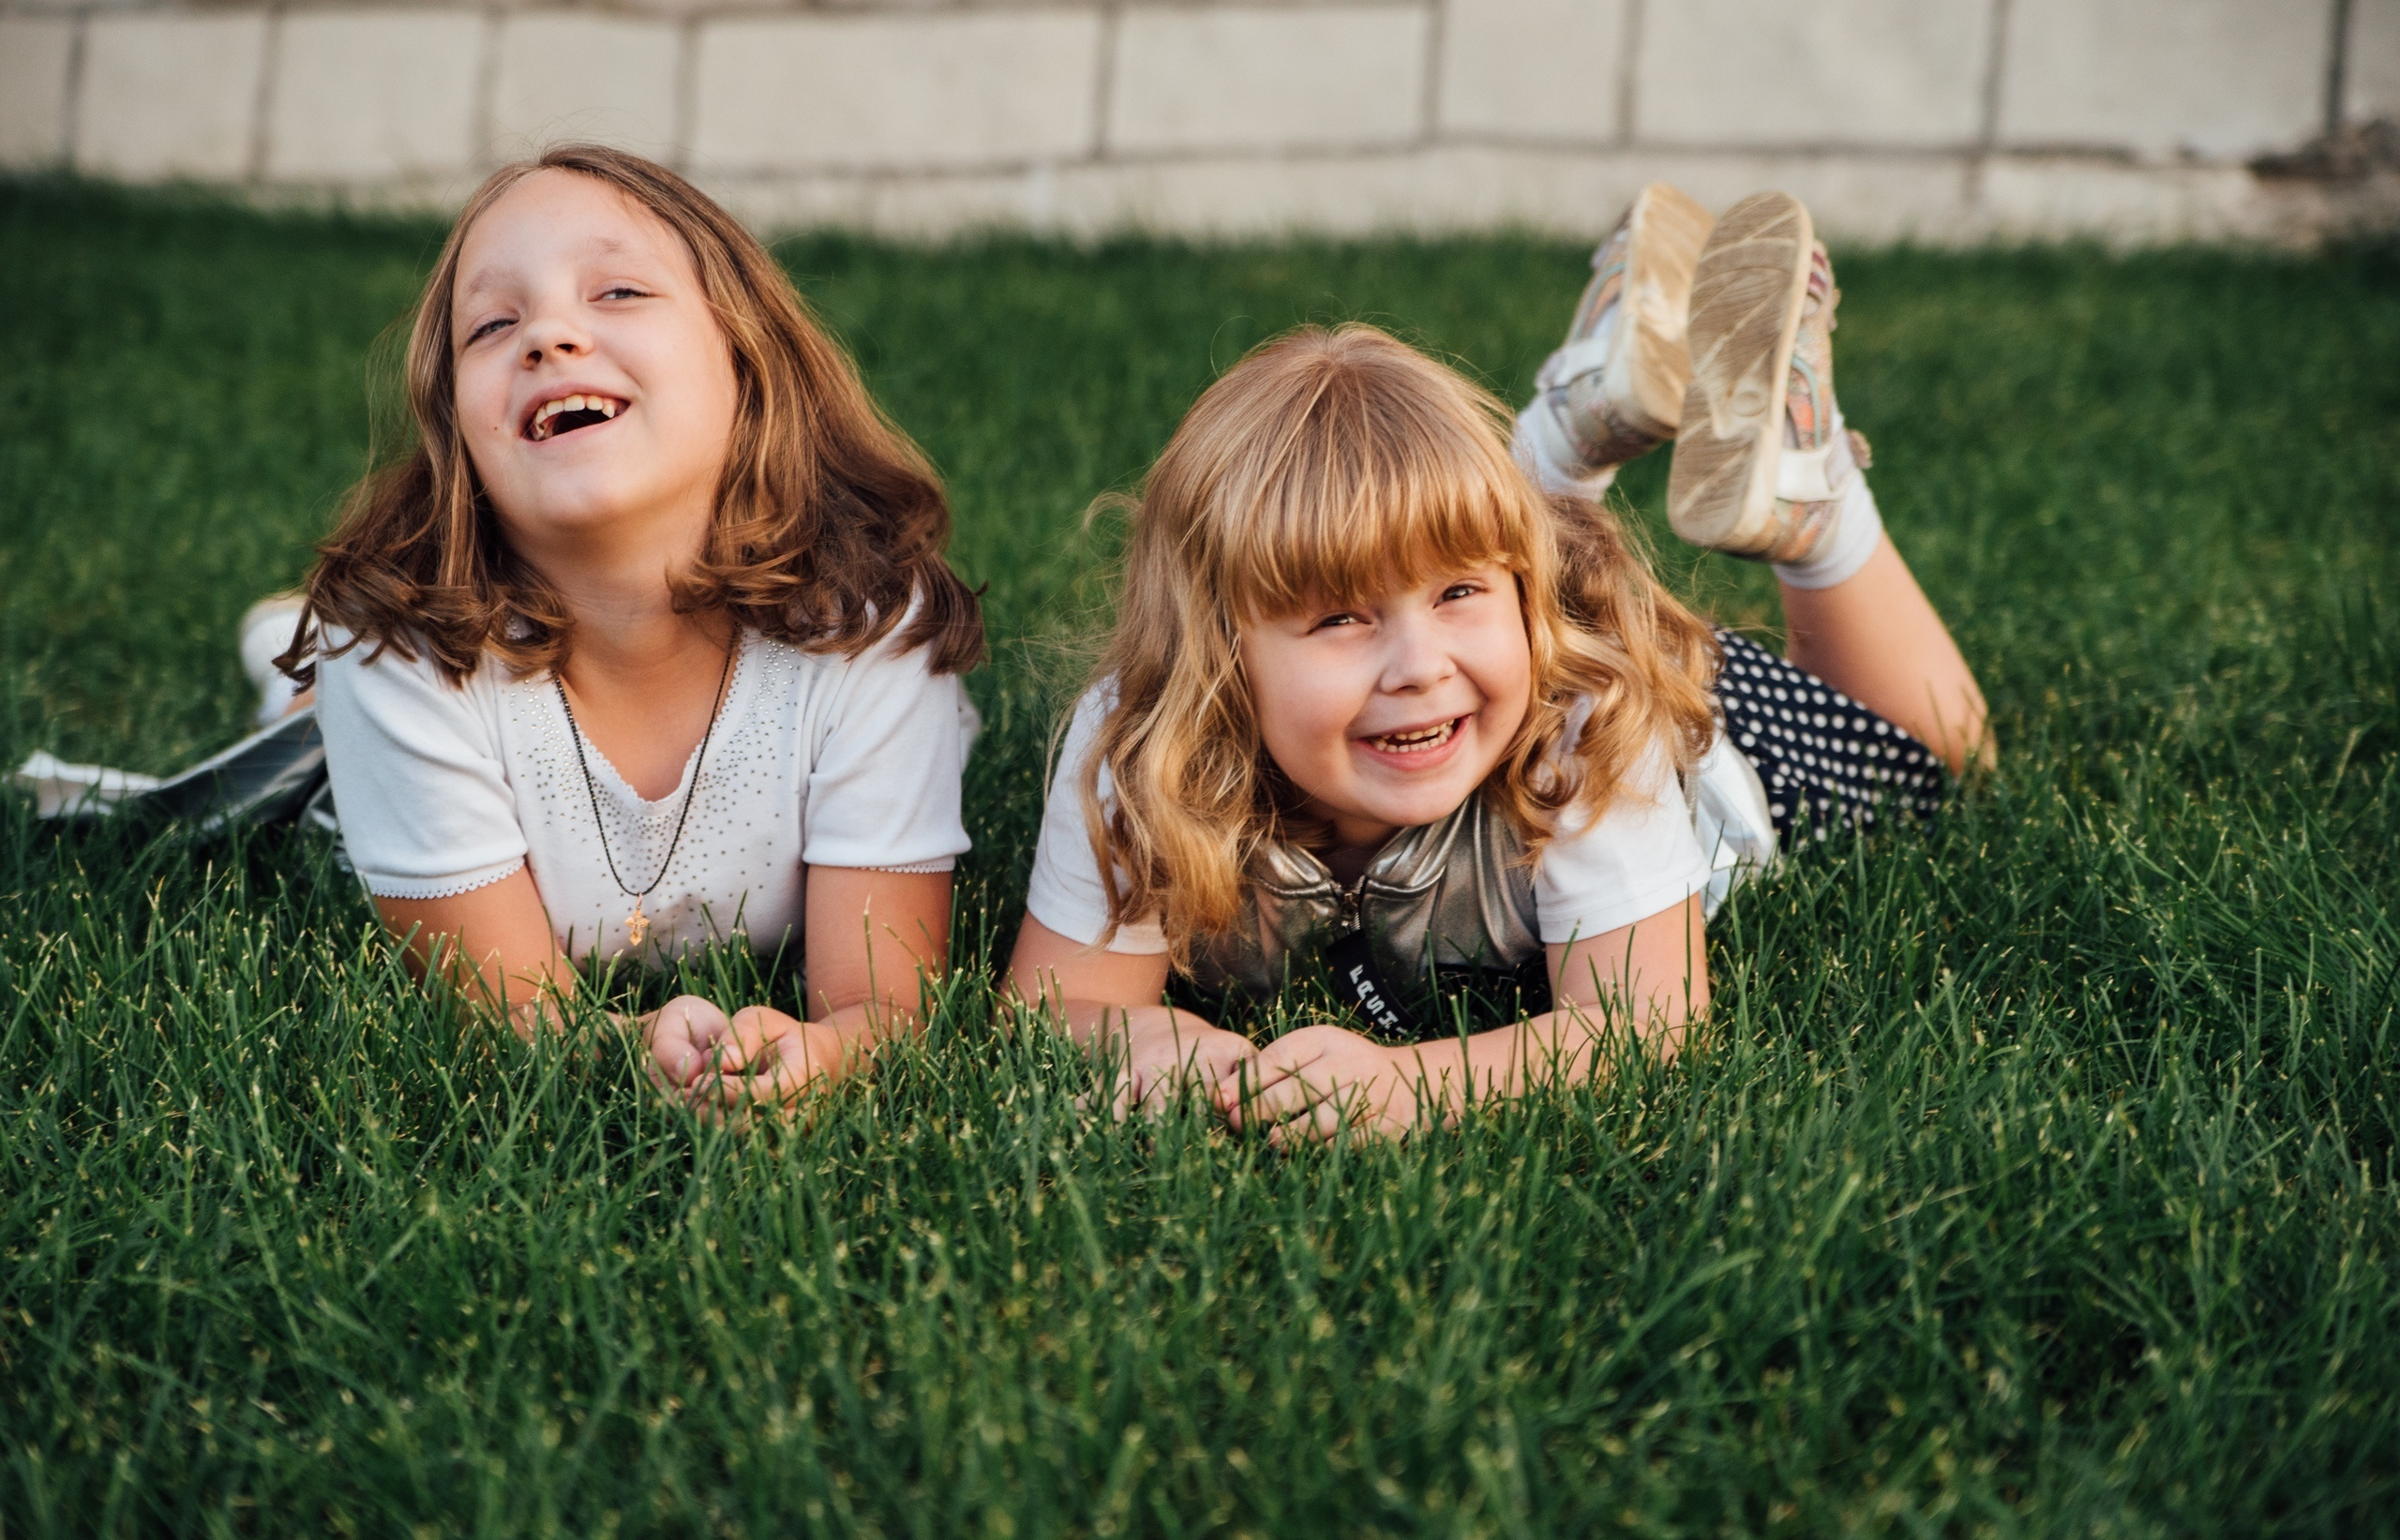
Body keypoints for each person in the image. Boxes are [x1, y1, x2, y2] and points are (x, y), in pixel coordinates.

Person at [1005, 185, 1990, 1142]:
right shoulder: (1140, 745)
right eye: (1341, 617)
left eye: (1457, 592)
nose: (1418, 666)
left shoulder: (1588, 720)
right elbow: (1057, 1004)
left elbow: (1645, 1025)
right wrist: (1162, 1045)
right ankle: (1559, 443)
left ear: (1517, 592)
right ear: (1216, 654)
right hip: (1524, 638)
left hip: (1716, 739)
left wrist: (1407, 1083)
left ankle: (1812, 502)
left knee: (1947, 751)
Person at [260, 144, 984, 1120]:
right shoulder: (398, 652)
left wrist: (817, 1055)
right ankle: (298, 694)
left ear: (747, 359)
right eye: (493, 324)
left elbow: (882, 1012)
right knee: (314, 742)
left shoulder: (870, 626)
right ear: (456, 431)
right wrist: (633, 1048)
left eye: (620, 292)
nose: (549, 335)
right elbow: (514, 1014)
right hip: (398, 692)